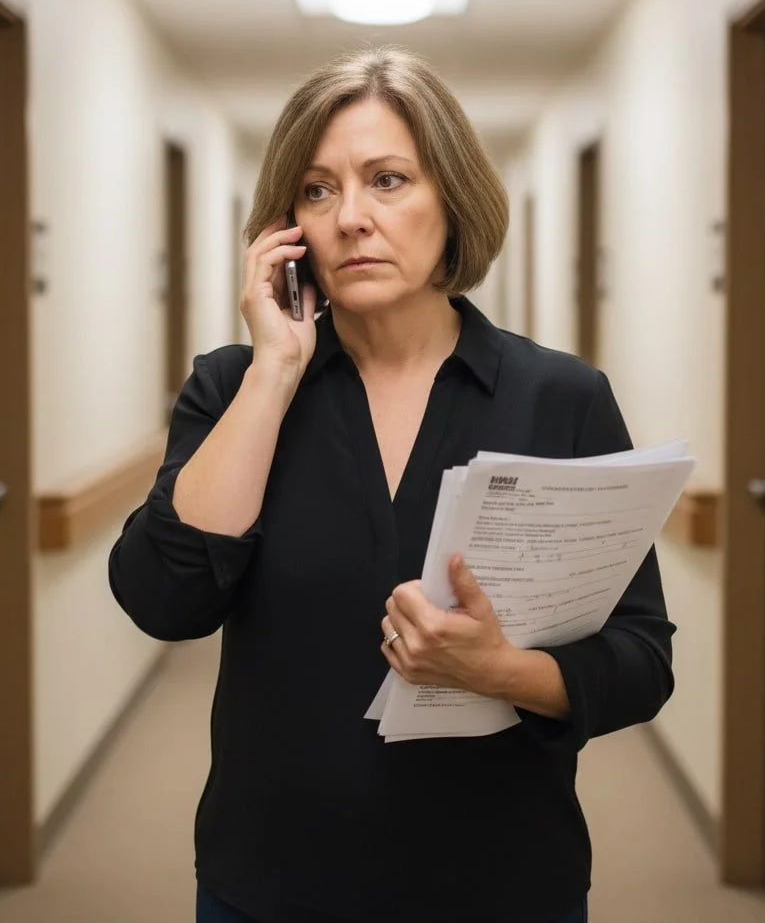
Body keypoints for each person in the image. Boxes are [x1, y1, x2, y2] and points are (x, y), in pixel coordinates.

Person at [109, 46, 675, 923]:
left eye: (387, 180)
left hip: (500, 880)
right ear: (286, 228)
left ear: (452, 199)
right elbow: (163, 597)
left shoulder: (559, 399)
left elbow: (642, 661)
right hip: (270, 881)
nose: (351, 219)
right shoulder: (234, 387)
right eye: (317, 190)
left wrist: (505, 671)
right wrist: (275, 371)